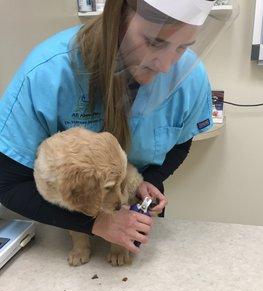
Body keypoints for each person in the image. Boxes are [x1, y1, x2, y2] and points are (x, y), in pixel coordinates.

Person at [0, 0, 214, 255]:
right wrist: (95, 222)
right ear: (119, 18)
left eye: (182, 47)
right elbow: (7, 184)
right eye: (154, 42)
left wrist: (150, 181)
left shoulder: (189, 78)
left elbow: (180, 143)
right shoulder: (48, 72)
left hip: (138, 219)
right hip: (66, 223)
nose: (166, 66)